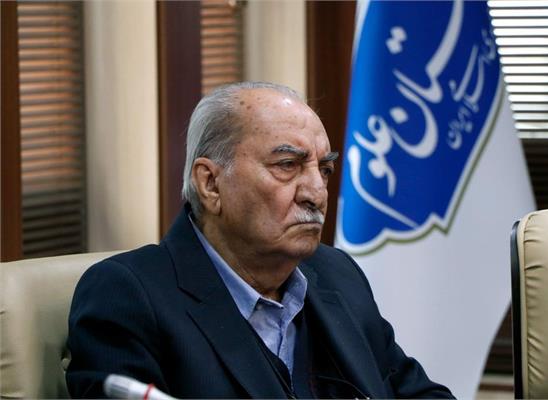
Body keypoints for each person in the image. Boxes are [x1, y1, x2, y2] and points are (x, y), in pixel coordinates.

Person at [66, 82, 453, 399]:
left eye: (324, 168)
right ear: (210, 184)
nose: (316, 192)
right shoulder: (129, 295)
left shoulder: (336, 273)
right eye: (287, 166)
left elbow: (415, 391)